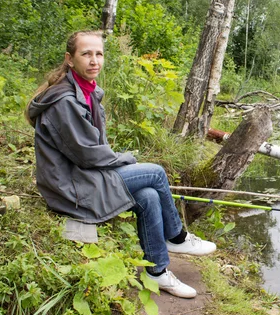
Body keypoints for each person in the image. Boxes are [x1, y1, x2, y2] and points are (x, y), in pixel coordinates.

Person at [26, 30, 215, 299]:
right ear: (70, 59)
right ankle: (177, 237)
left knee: (148, 195)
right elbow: (88, 155)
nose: (94, 60)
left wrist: (116, 159)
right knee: (156, 173)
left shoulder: (86, 91)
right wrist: (125, 158)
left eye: (99, 53)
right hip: (71, 187)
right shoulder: (66, 102)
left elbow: (90, 152)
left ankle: (158, 272)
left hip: (84, 176)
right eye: (86, 54)